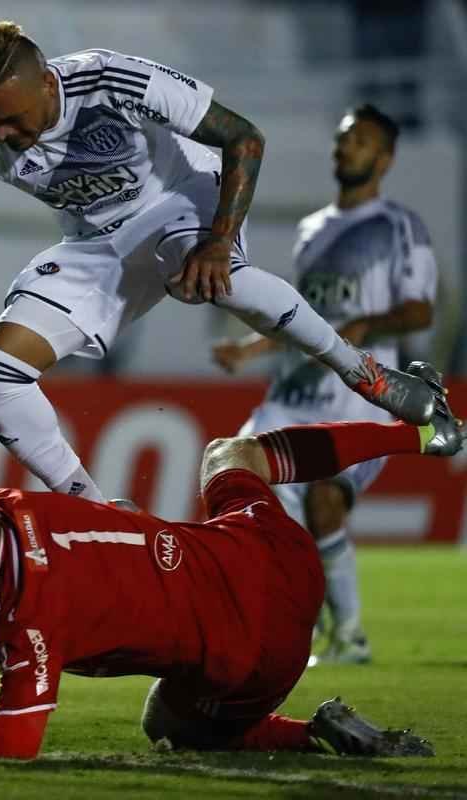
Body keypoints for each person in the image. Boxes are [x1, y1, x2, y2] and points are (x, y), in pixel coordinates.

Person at [0, 20, 440, 503]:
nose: (4, 136)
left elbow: (244, 137)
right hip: (96, 244)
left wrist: (219, 238)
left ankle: (364, 375)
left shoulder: (111, 80)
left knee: (213, 279)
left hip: (180, 202)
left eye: (14, 120)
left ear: (48, 83)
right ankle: (97, 512)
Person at [0, 363, 459, 759]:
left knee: (164, 720)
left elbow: (13, 743)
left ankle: (306, 731)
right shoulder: (5, 505)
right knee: (229, 455)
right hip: (277, 554)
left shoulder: (28, 623)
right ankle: (422, 432)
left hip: (265, 660)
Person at [212, 105, 436, 666]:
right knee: (247, 490)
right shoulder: (311, 229)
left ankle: (350, 636)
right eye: (342, 139)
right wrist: (249, 349)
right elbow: (299, 320)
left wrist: (364, 326)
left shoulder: (400, 227)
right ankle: (295, 627)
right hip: (289, 398)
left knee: (325, 500)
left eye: (359, 141)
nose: (345, 148)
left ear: (385, 158)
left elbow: (419, 311)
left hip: (356, 399)